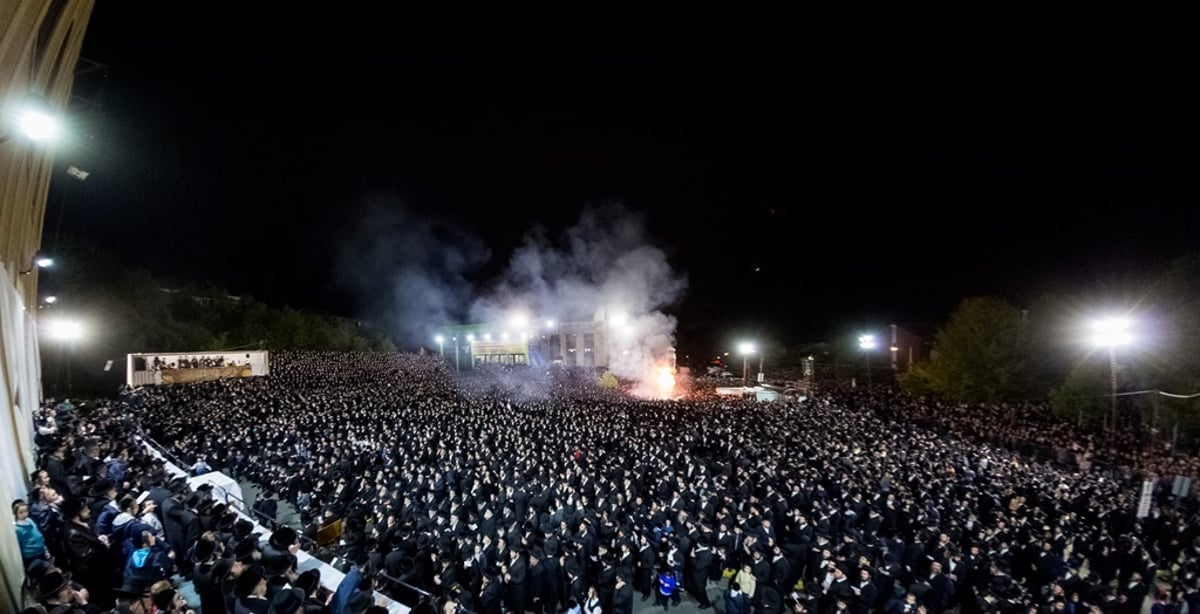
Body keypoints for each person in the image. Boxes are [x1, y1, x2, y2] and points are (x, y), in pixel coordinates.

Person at [13, 500, 50, 567]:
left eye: (26, 511)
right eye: (21, 512)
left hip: (41, 551)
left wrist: (45, 549)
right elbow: (19, 545)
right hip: (32, 556)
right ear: (16, 514)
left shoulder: (30, 520)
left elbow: (38, 535)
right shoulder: (17, 528)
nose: (24, 514)